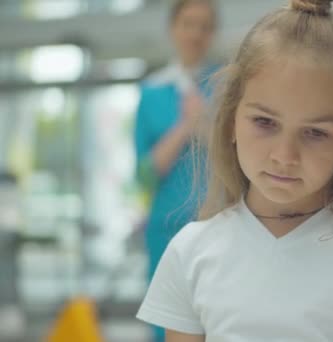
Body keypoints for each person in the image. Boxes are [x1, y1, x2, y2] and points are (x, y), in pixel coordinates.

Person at [137, 0, 333, 341]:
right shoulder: (189, 254)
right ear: (230, 121)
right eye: (264, 122)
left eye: (316, 133)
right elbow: (142, 173)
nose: (284, 156)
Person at [133, 1, 218, 341]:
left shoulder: (226, 88)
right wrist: (186, 126)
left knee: (217, 319)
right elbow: (143, 175)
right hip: (165, 230)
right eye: (188, 24)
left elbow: (240, 160)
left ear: (212, 34)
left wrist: (206, 126)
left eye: (204, 26)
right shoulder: (151, 93)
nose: (195, 33)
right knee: (167, 323)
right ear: (173, 29)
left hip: (216, 224)